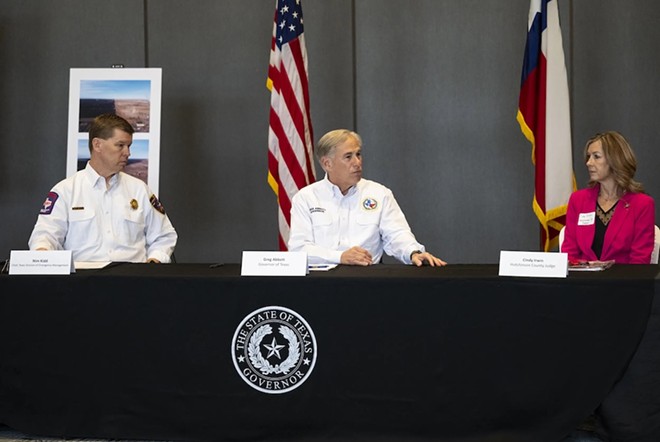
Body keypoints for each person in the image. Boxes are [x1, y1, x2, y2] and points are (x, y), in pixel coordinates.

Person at [28, 113, 177, 263]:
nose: (128, 153)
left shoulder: (139, 190)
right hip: (81, 281)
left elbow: (164, 236)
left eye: (129, 146)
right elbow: (45, 236)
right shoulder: (66, 191)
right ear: (97, 145)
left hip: (133, 280)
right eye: (120, 145)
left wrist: (153, 262)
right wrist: (43, 253)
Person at [288, 129, 446, 266]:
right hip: (321, 283)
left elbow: (397, 234)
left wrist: (413, 252)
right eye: (348, 157)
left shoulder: (380, 194)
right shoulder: (306, 198)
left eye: (358, 154)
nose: (357, 162)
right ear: (327, 164)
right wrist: (340, 257)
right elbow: (299, 249)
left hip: (367, 279)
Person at [561, 131, 655, 264]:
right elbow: (569, 252)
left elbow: (640, 260)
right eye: (588, 157)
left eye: (596, 157)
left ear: (615, 160)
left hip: (621, 282)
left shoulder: (642, 204)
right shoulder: (578, 200)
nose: (588, 163)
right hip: (582, 281)